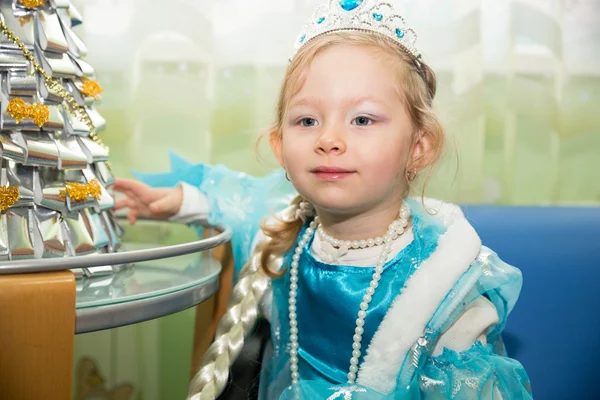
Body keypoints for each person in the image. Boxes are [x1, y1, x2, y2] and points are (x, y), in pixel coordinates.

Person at [115, 0, 532, 398]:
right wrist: (177, 201)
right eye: (307, 120)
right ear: (279, 147)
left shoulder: (445, 289)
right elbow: (242, 199)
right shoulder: (285, 236)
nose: (329, 139)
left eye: (363, 119)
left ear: (419, 146)